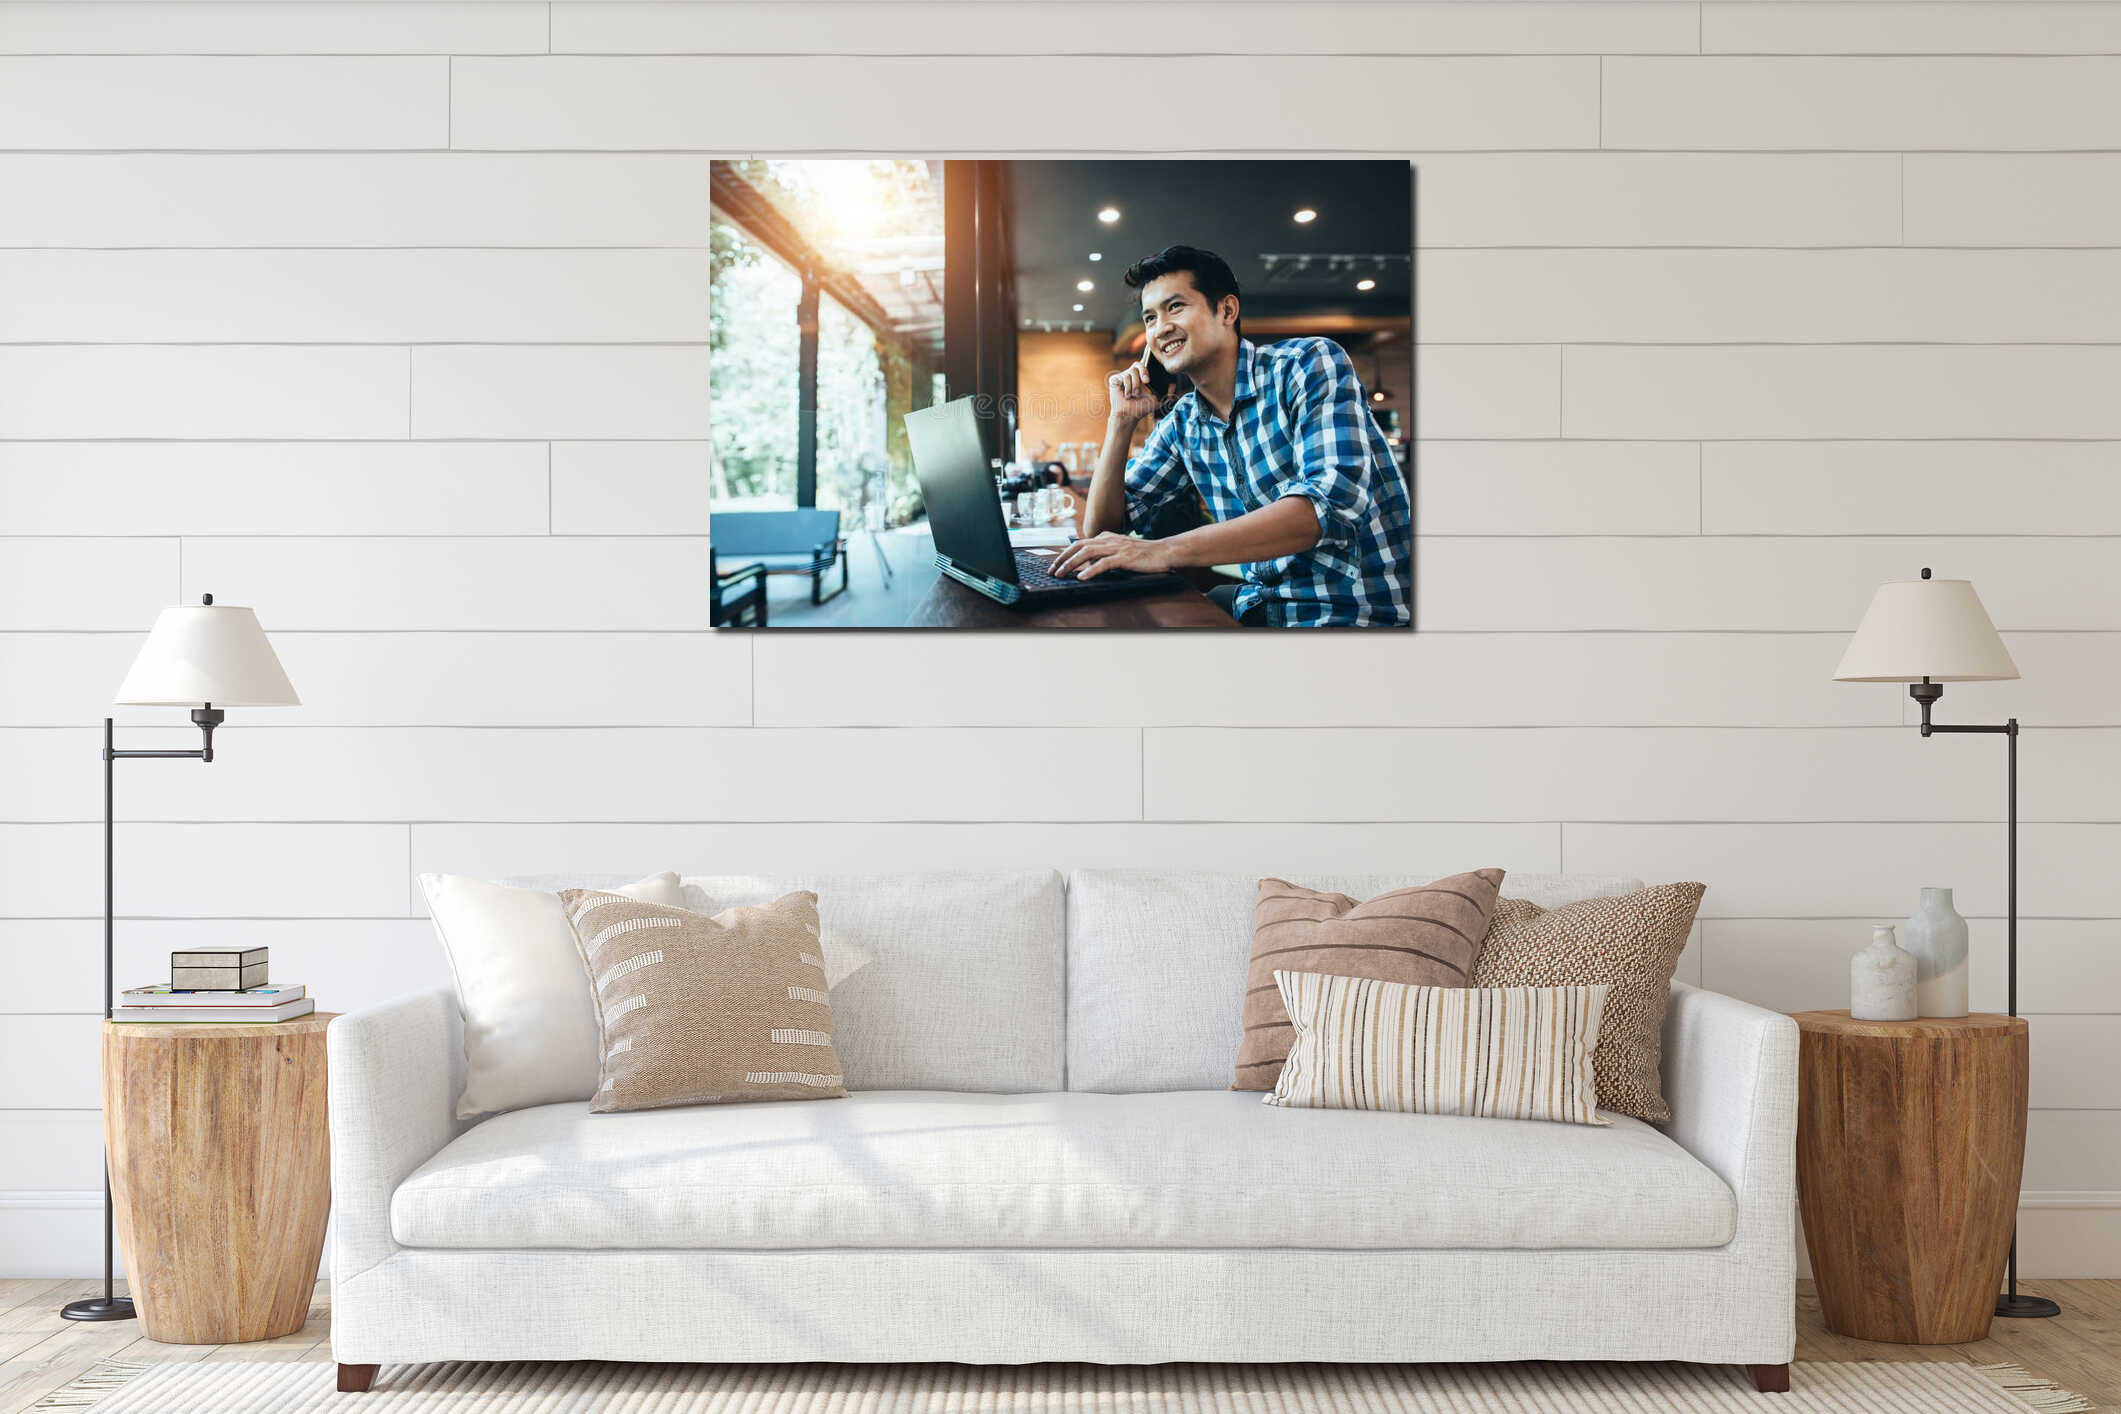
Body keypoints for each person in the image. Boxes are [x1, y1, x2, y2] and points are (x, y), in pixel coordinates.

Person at [1050, 245, 1412, 628]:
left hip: (1350, 615)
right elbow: (1103, 531)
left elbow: (1328, 508)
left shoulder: (1307, 364)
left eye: (1175, 307)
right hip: (1263, 606)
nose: (1160, 329)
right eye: (1150, 318)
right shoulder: (1184, 422)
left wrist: (1164, 551)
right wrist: (1120, 423)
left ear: (1226, 311)